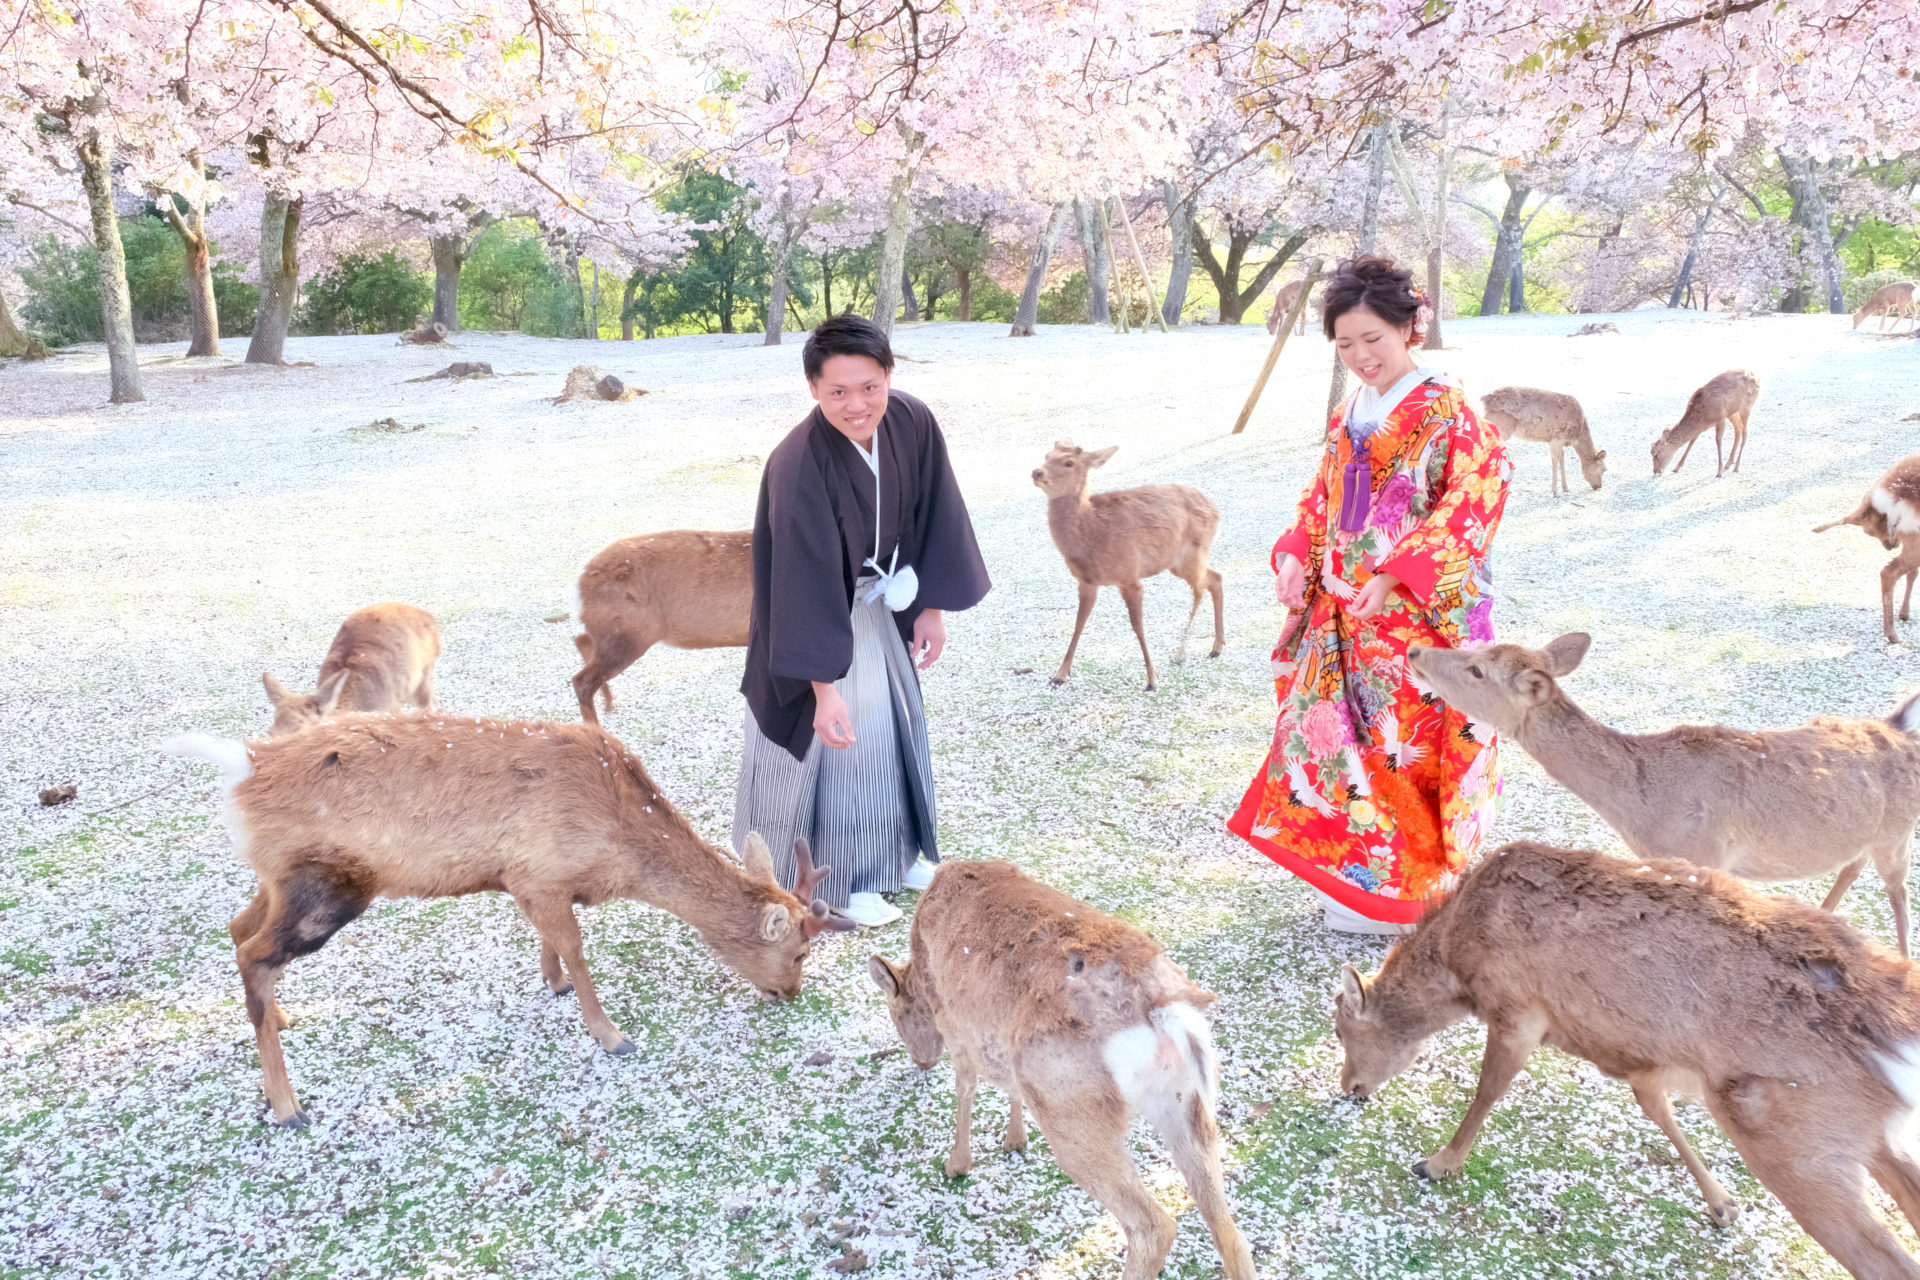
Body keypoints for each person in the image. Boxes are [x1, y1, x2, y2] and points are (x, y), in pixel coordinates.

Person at [1227, 255, 1511, 935]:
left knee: (1405, 751)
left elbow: (1477, 498)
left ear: (1412, 327)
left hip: (1415, 620)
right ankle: (1360, 877)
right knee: (1344, 751)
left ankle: (1411, 891)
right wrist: (1299, 550)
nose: (1360, 357)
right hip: (1347, 614)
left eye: (1372, 340)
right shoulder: (1354, 407)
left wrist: (1396, 574)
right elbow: (1322, 491)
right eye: (1345, 345)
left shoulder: (1449, 406)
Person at [734, 315, 991, 927]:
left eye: (869, 386)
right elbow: (798, 580)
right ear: (813, 390)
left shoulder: (910, 420)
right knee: (841, 745)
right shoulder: (798, 464)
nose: (858, 405)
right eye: (838, 393)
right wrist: (822, 689)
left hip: (882, 605)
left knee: (891, 733)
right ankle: (842, 881)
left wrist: (928, 603)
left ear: (888, 376)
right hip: (817, 624)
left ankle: (895, 854)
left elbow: (937, 513)